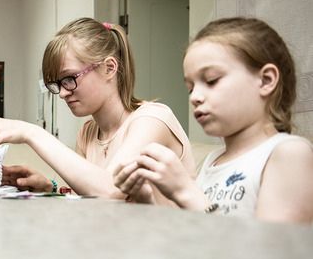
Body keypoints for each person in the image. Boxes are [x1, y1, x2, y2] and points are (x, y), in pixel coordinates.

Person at [114, 17, 313, 223]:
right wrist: (147, 201)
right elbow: (196, 232)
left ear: (266, 80)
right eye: (190, 88)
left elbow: (274, 243)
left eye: (211, 80)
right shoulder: (214, 160)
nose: (195, 97)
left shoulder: (290, 153)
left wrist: (185, 191)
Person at [0, 17, 194, 200]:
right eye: (56, 84)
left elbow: (111, 191)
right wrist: (50, 188)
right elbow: (85, 201)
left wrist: (32, 133)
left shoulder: (153, 119)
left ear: (109, 68)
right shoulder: (88, 132)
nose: (62, 93)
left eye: (69, 78)